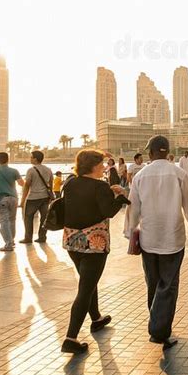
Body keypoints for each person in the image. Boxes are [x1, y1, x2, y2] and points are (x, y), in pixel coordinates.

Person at [125, 135, 188, 350]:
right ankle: (159, 331)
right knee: (168, 286)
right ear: (167, 152)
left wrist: (131, 232)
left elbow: (133, 208)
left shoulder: (140, 176)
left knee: (153, 283)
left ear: (150, 153)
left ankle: (157, 325)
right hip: (173, 238)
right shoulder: (179, 174)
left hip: (149, 239)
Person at [61, 149, 130, 354]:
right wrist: (119, 196)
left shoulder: (70, 183)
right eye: (101, 164)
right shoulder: (100, 186)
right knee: (85, 289)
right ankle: (70, 337)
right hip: (94, 243)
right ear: (93, 166)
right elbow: (108, 211)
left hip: (73, 241)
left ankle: (96, 318)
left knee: (88, 281)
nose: (104, 167)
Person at [0, 152, 25, 252]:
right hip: (14, 198)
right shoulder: (14, 171)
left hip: (2, 199)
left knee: (4, 222)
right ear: (8, 159)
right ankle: (12, 241)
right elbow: (22, 184)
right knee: (12, 220)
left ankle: (8, 244)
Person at [19, 151, 53, 245]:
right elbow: (50, 183)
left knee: (28, 218)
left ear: (35, 159)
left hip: (33, 198)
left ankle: (28, 238)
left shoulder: (31, 170)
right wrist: (51, 195)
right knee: (44, 218)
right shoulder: (48, 169)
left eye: (31, 157)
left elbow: (27, 185)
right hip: (45, 197)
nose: (30, 159)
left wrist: (22, 200)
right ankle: (42, 237)